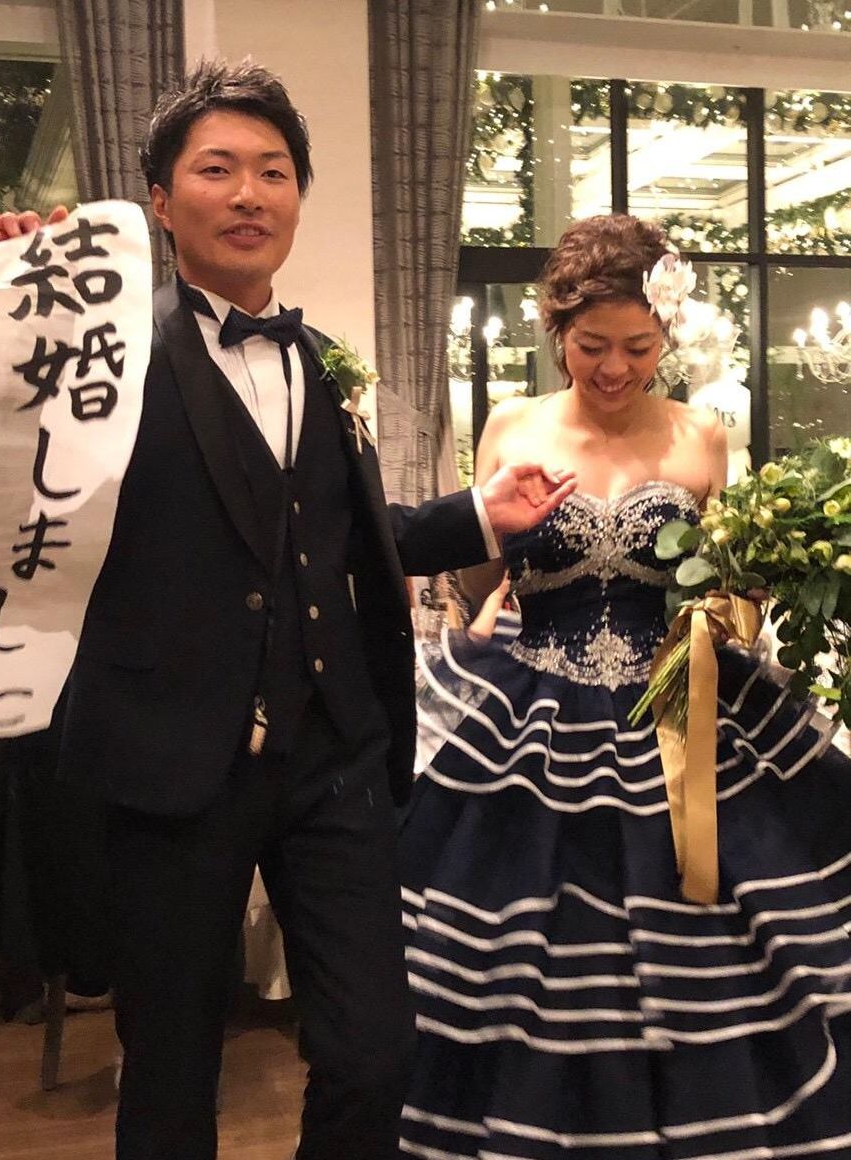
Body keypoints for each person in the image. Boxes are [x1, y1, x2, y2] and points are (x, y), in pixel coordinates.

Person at [0, 60, 577, 1160]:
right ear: (161, 200)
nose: (249, 193)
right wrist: (4, 358)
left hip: (333, 751)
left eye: (274, 171)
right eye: (217, 169)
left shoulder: (320, 360)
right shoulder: (100, 359)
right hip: (168, 759)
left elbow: (336, 533)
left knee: (375, 1051)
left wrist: (480, 515)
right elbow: (5, 502)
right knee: (170, 1071)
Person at [399, 213, 851, 1159]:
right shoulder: (512, 425)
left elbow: (732, 595)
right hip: (532, 707)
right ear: (557, 331)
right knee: (525, 944)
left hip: (680, 707)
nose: (614, 368)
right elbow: (479, 577)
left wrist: (748, 593)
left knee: (724, 931)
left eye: (638, 348)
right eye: (592, 345)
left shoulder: (701, 436)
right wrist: (490, 569)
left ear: (665, 337)